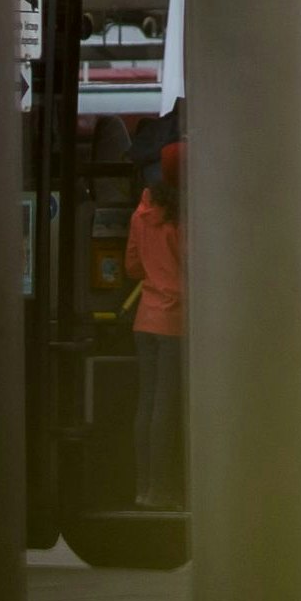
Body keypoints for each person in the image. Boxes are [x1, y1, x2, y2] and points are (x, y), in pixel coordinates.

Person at [127, 142, 187, 509]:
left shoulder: (142, 211)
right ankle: (164, 489)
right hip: (176, 320)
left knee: (147, 403)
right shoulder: (182, 218)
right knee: (167, 406)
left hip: (145, 318)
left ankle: (144, 488)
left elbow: (133, 266)